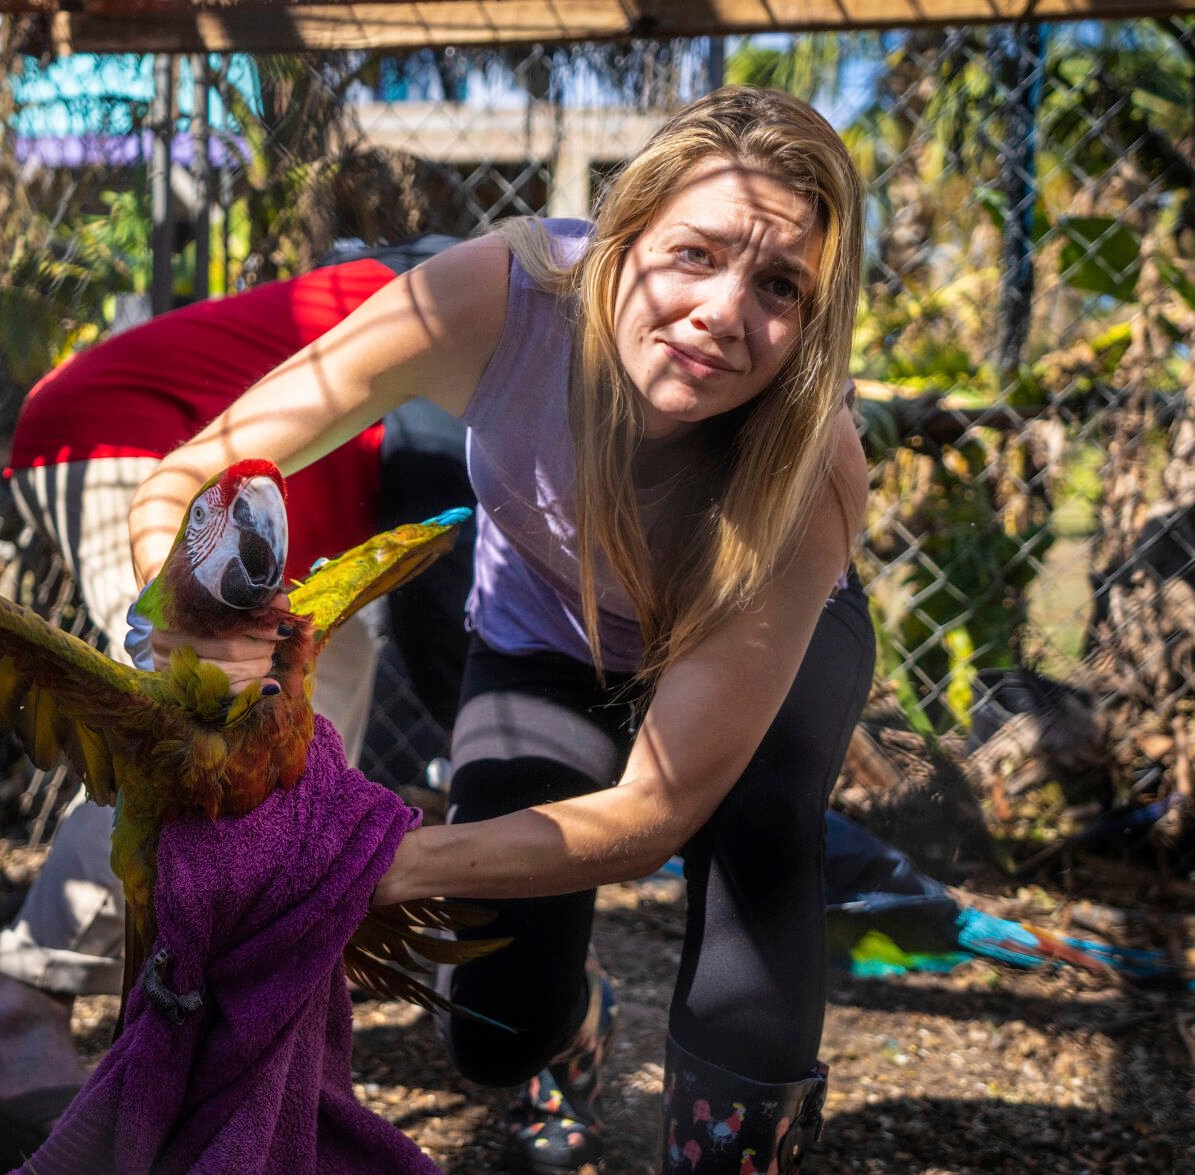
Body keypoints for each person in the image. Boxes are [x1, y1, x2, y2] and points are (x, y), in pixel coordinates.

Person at [125, 86, 875, 1175]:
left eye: (776, 286)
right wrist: (182, 607)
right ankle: (570, 1028)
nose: (721, 310)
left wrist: (359, 866)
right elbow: (204, 464)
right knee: (494, 1028)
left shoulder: (814, 462)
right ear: (619, 242)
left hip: (763, 639)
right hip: (548, 631)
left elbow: (652, 811)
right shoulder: (492, 297)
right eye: (693, 255)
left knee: (756, 849)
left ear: (812, 320)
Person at [0, 243, 475, 1157]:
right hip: (130, 445)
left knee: (317, 702)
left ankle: (250, 954)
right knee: (186, 738)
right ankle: (13, 1014)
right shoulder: (465, 309)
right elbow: (458, 581)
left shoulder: (424, 297)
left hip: (239, 515)